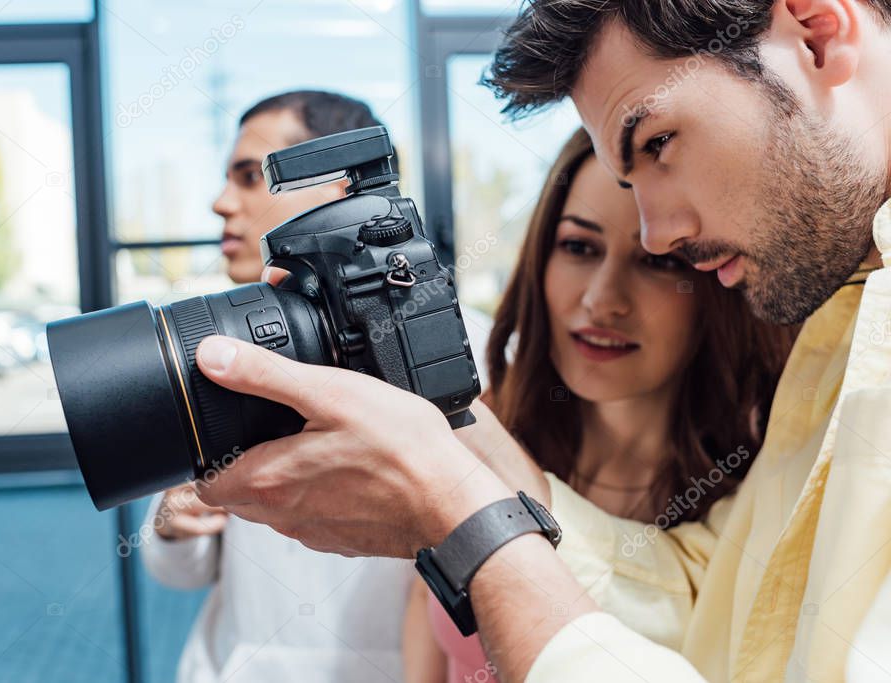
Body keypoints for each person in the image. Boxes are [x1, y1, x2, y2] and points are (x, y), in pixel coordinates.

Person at [187, 1, 891, 681]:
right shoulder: (851, 311)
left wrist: (468, 525)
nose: (656, 234)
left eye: (659, 143)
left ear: (817, 35)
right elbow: (724, 605)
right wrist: (486, 473)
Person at [401, 128, 796, 683]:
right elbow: (425, 618)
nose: (601, 300)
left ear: (717, 281)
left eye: (659, 262)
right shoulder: (484, 427)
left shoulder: (761, 493)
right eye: (579, 248)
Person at [141, 90, 491, 683]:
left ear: (337, 186)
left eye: (251, 177)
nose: (222, 202)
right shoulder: (214, 350)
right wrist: (174, 523)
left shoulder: (464, 347)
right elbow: (177, 572)